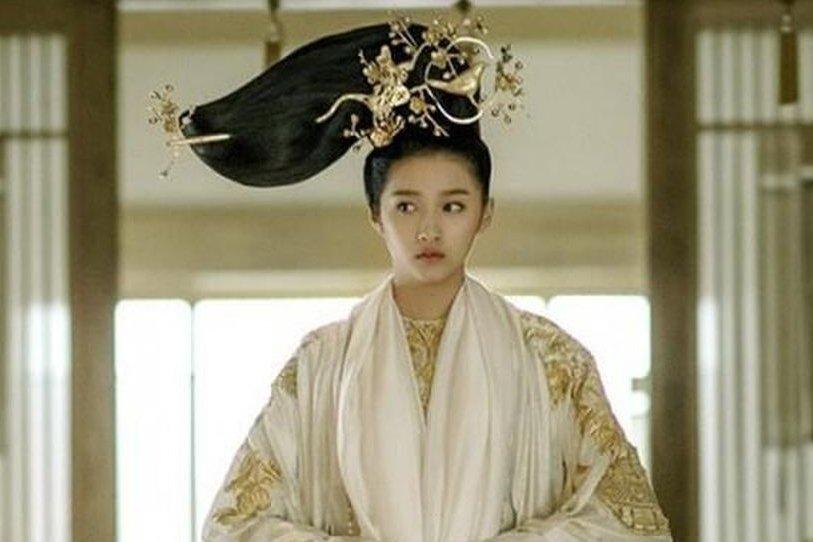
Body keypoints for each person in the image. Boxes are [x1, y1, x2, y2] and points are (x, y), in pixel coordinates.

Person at [151, 14, 672, 542]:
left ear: (485, 213)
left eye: (453, 206)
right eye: (406, 206)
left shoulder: (552, 360)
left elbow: (629, 522)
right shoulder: (321, 365)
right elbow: (233, 527)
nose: (429, 229)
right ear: (375, 215)